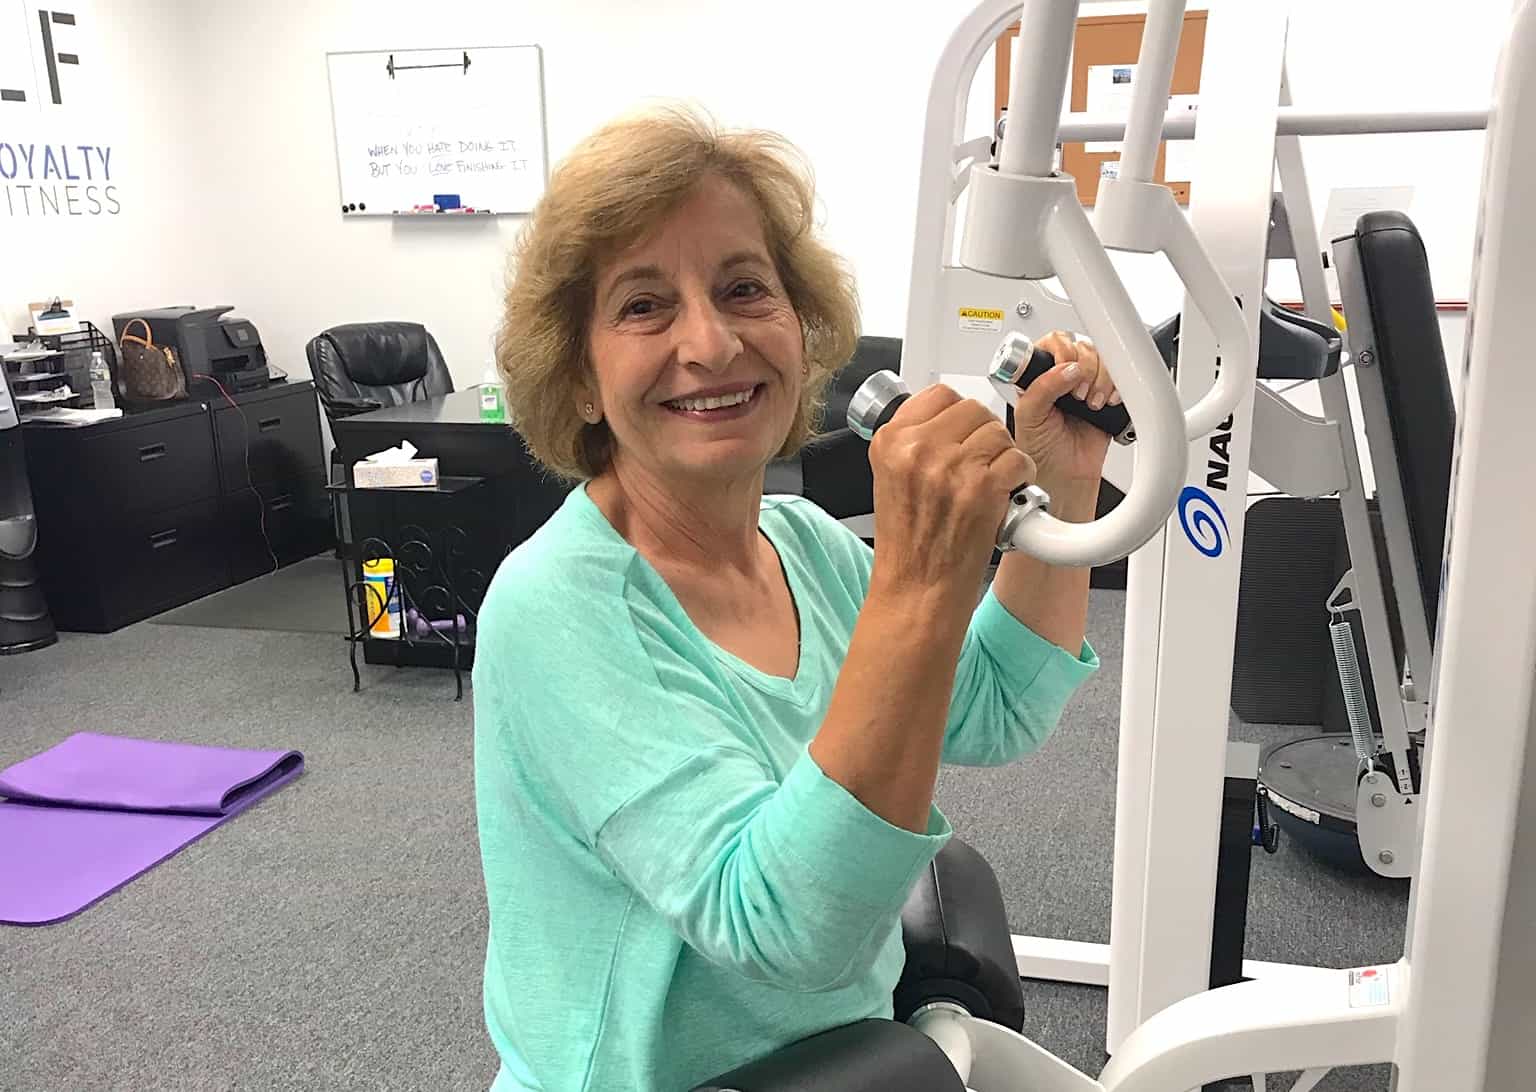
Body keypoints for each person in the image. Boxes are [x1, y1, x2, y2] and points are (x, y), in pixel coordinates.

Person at [473, 104, 1114, 1092]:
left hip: (841, 1055)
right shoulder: (556, 604)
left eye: (743, 288)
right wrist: (918, 570)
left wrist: (1061, 478)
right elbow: (777, 927)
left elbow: (996, 706)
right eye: (645, 306)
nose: (712, 341)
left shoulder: (808, 546)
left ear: (798, 323)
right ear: (583, 378)